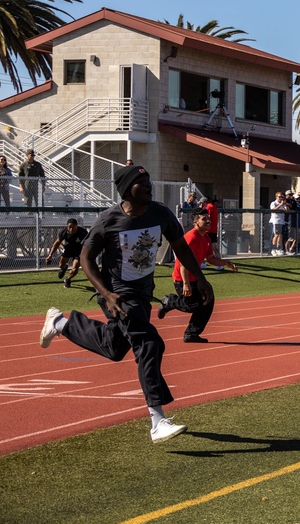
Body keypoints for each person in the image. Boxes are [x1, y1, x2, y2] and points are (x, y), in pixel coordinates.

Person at [38, 165, 213, 443]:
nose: (148, 186)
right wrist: (106, 294)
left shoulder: (161, 214)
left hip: (142, 295)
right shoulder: (108, 220)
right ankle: (158, 420)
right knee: (150, 343)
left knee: (115, 347)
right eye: (140, 182)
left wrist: (200, 278)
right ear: (126, 190)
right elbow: (86, 258)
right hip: (117, 294)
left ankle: (61, 322)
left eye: (148, 181)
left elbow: (181, 247)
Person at [157, 207, 238, 342]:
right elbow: (183, 263)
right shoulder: (191, 238)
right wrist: (186, 283)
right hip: (183, 278)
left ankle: (192, 333)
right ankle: (169, 301)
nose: (208, 221)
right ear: (195, 222)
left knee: (207, 301)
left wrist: (226, 263)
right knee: (192, 305)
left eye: (209, 219)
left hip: (197, 278)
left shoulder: (205, 237)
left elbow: (211, 259)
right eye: (204, 219)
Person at [45, 218, 89, 288]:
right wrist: (50, 255)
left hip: (79, 251)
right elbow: (57, 243)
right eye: (69, 227)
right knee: (61, 265)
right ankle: (64, 268)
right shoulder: (64, 232)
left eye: (73, 227)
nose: (71, 229)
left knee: (74, 269)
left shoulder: (83, 232)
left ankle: (68, 279)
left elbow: (89, 243)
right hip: (68, 249)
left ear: (76, 226)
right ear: (67, 226)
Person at [268, 191, 289, 256]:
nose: (281, 198)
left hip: (281, 222)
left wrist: (286, 205)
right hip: (275, 221)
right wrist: (280, 205)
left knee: (280, 235)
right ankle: (273, 249)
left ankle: (278, 248)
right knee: (276, 235)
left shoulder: (283, 204)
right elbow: (273, 210)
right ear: (276, 197)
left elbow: (287, 211)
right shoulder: (274, 203)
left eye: (282, 197)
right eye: (280, 197)